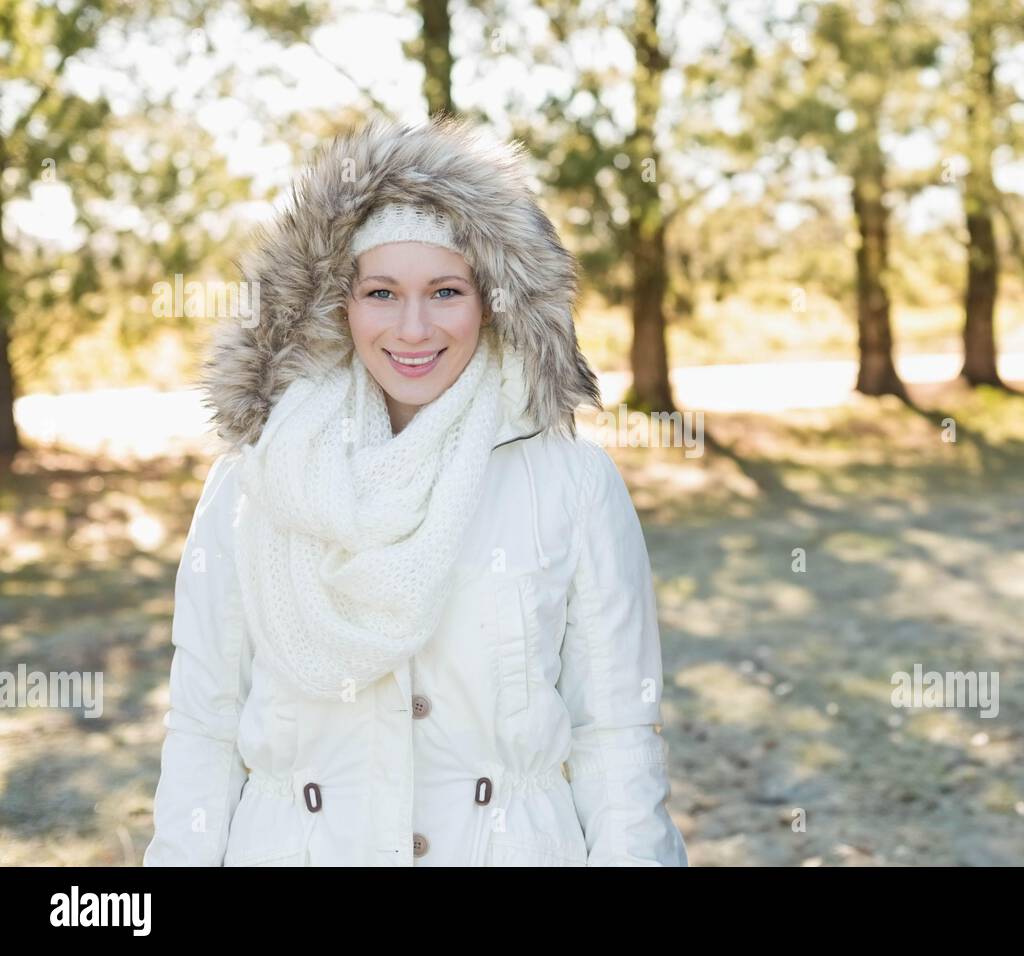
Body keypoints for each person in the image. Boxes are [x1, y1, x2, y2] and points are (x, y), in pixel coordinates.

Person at [142, 114, 689, 866]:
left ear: (491, 299)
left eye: (444, 291)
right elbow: (204, 728)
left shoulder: (570, 481)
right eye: (380, 292)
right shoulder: (252, 483)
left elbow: (616, 733)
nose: (412, 327)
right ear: (340, 303)